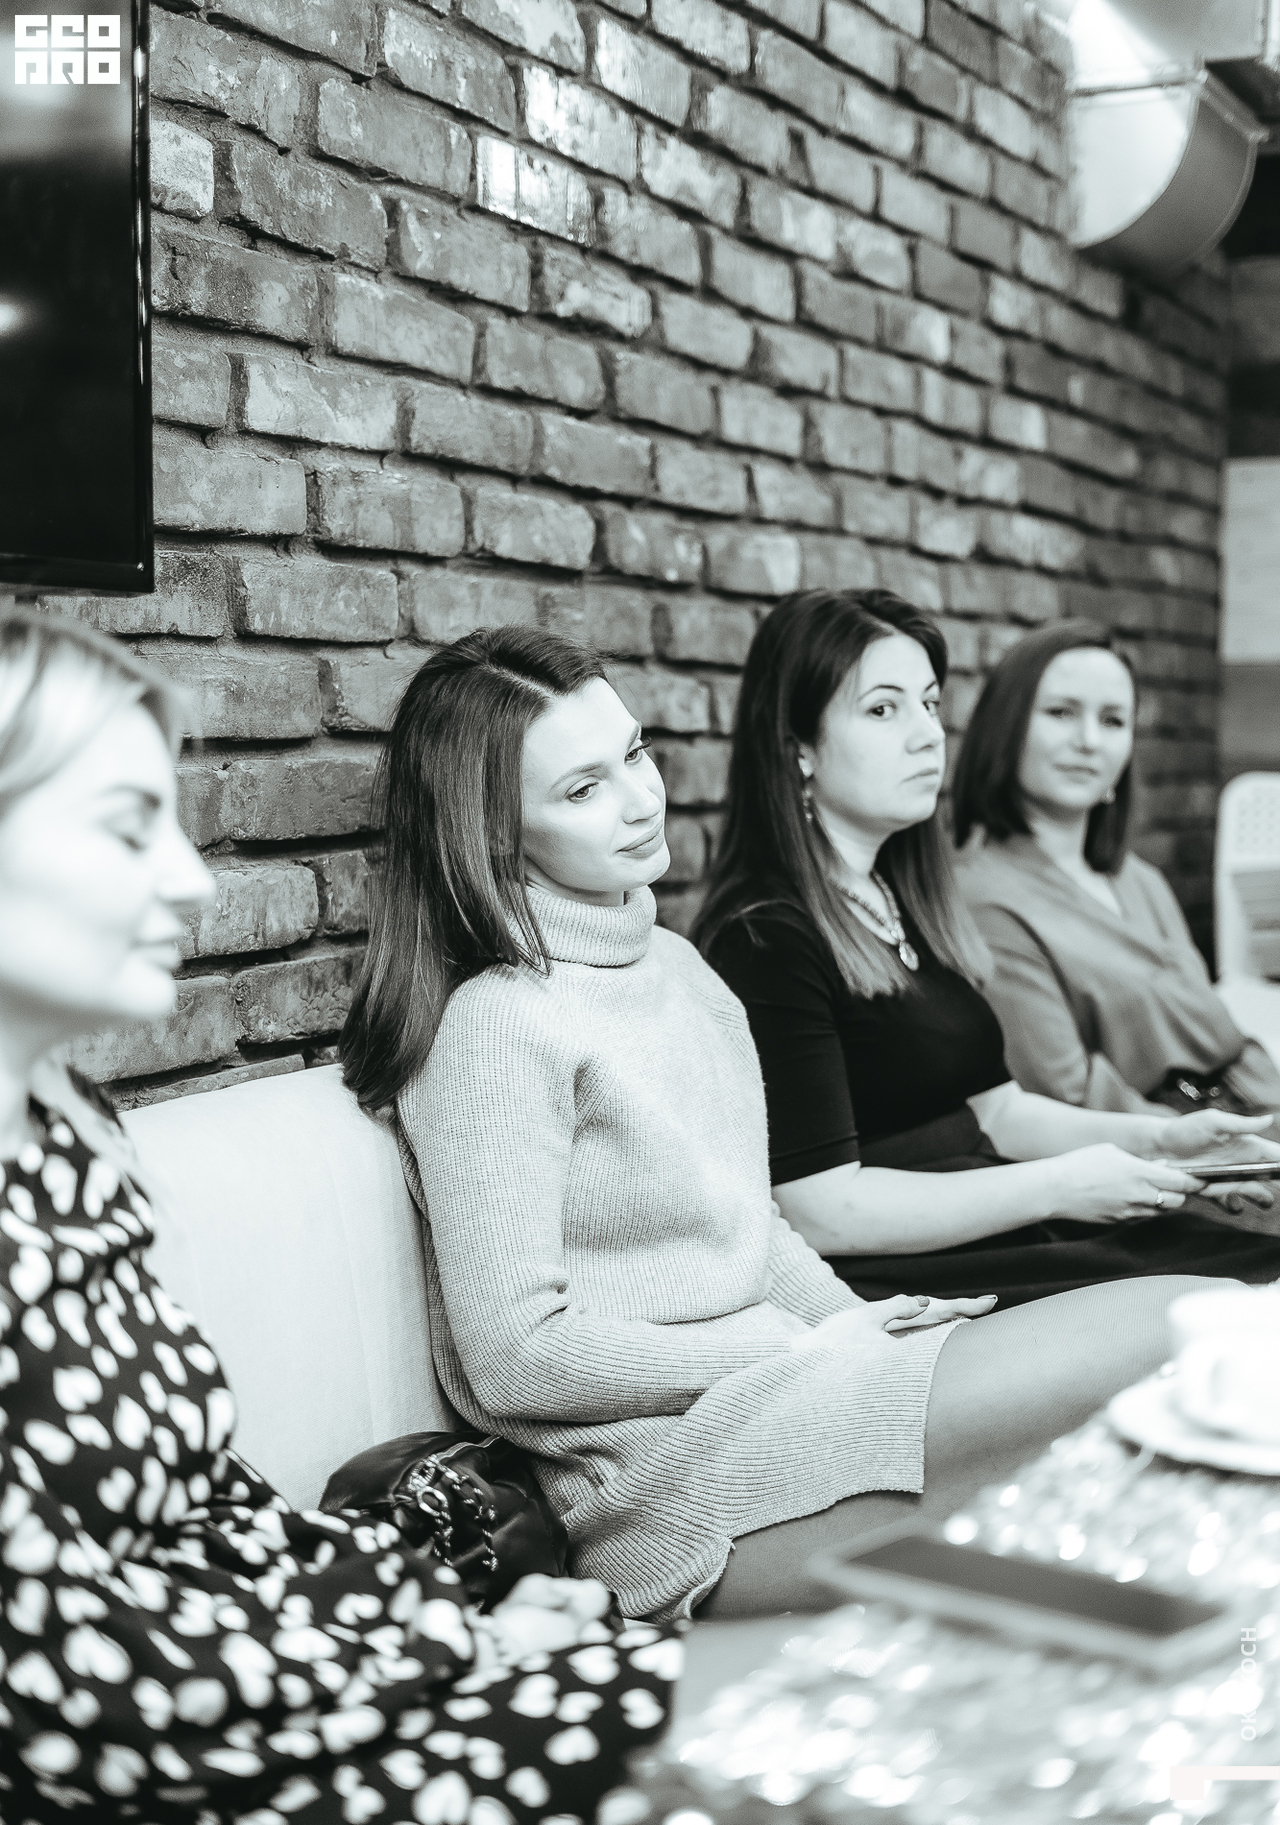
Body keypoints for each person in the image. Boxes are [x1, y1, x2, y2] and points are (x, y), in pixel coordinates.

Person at [345, 622, 1239, 1628]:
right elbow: (513, 1358)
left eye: (634, 754)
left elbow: (752, 1230)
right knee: (1188, 1329)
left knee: (1207, 1360)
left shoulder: (679, 968)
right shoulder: (495, 1025)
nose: (641, 800)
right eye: (583, 789)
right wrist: (788, 1349)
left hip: (781, 1389)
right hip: (664, 1479)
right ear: (493, 833)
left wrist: (855, 1328)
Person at [0, 611, 683, 1825]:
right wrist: (431, 1652)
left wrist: (443, 1617)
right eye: (123, 828)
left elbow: (212, 1512)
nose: (189, 883)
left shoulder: (67, 1130)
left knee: (728, 1725)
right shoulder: (499, 1026)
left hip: (245, 1712)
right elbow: (59, 1675)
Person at [693, 589, 1280, 1308]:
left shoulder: (901, 900)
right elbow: (820, 1211)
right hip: (909, 1280)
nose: (927, 736)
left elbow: (1000, 1112)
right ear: (798, 748)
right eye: (883, 710)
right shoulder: (764, 936)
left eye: (929, 705)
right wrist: (1060, 1185)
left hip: (1000, 1224)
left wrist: (1160, 1143)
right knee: (1240, 1296)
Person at [952, 619, 1280, 1124]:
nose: (1089, 741)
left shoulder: (1139, 880)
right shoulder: (982, 899)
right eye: (1061, 713)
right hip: (1157, 1148)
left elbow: (1226, 1040)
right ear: (1006, 727)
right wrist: (1224, 1145)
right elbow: (1067, 1095)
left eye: (1112, 721)